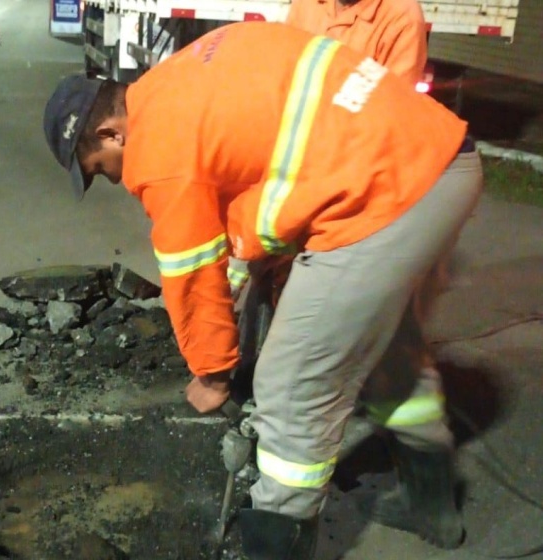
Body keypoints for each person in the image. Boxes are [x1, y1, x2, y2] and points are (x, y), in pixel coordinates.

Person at [43, 22, 481, 559]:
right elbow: (248, 202)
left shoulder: (158, 150)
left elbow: (191, 272)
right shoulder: (183, 78)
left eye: (99, 169)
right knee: (383, 349)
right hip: (439, 163)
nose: (113, 180)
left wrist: (212, 372)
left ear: (112, 133)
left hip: (383, 195)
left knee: (290, 387)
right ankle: (432, 502)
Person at [286, 0, 428, 86]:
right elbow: (284, 71)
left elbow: (393, 109)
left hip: (355, 133)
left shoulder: (403, 19)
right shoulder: (305, 3)